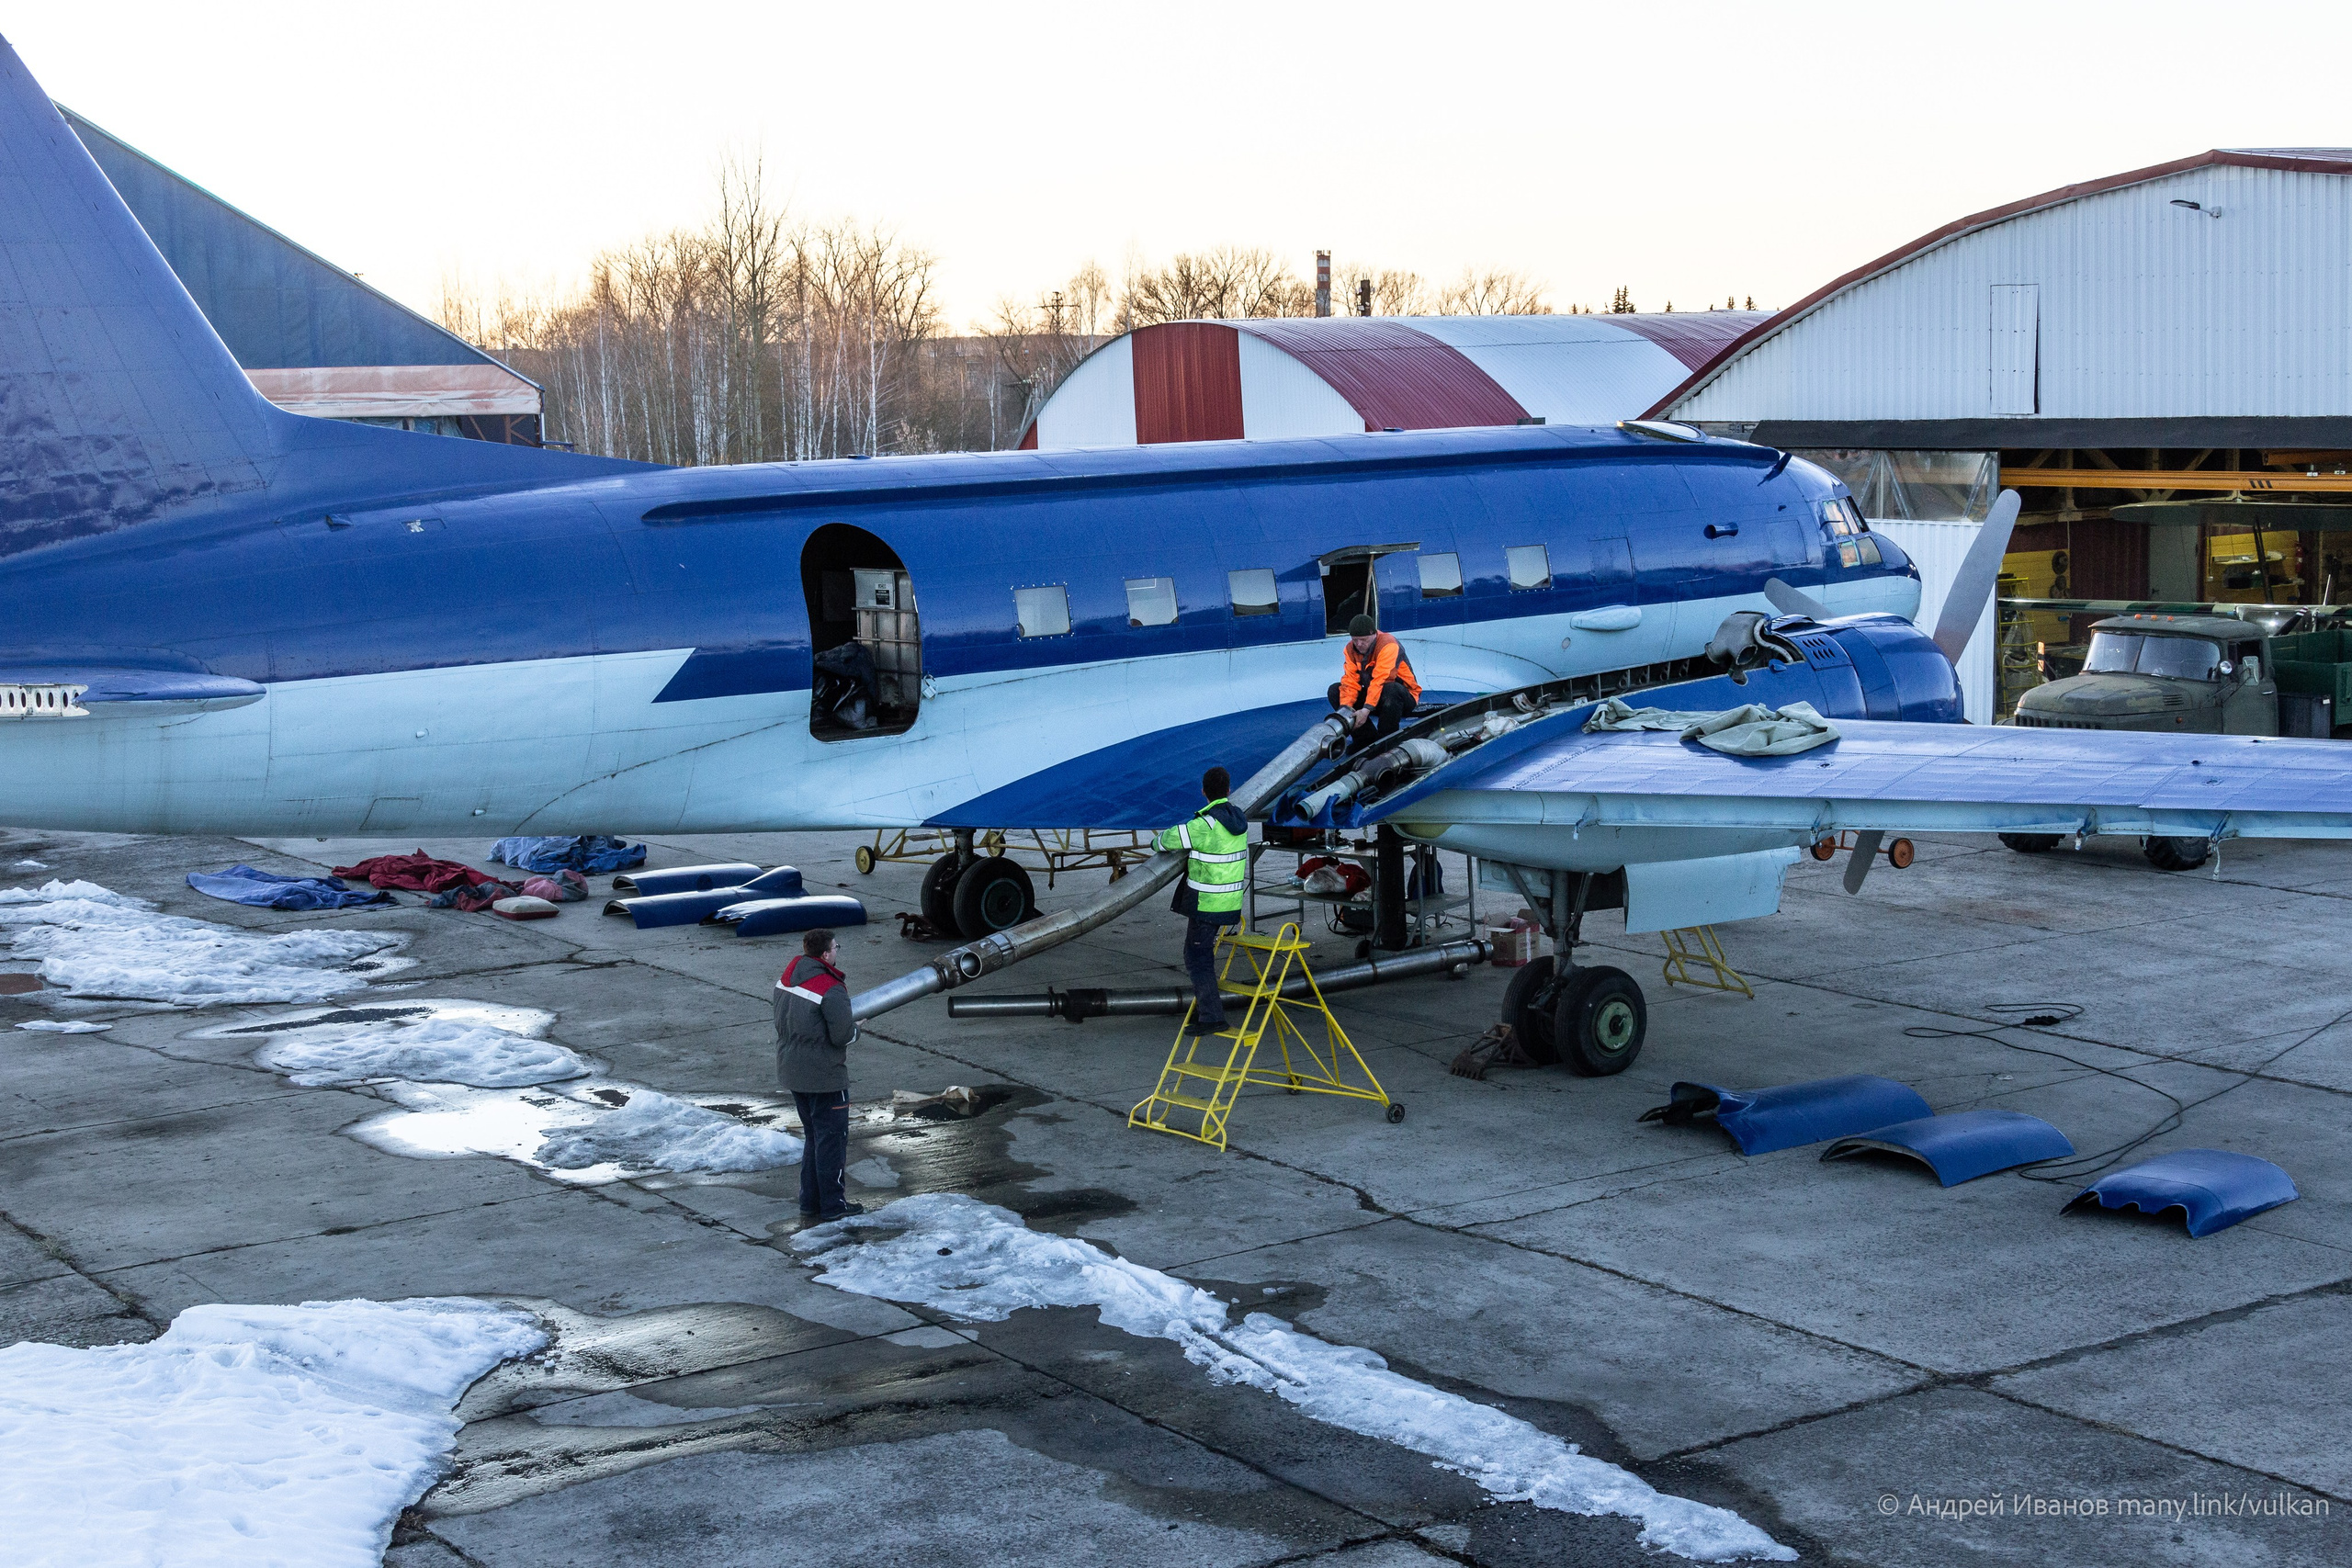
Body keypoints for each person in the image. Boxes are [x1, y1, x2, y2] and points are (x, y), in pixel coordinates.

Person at [775, 927, 862, 1221]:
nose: (837, 951)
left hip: (792, 1071)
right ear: (825, 954)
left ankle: (810, 1202)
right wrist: (856, 1029)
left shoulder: (787, 979)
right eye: (836, 947)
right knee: (832, 1141)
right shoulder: (830, 988)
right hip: (824, 1077)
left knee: (814, 1137)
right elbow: (841, 1036)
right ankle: (834, 1206)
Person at [1157, 766, 1250, 1035]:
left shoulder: (1205, 825)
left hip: (1206, 904)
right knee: (1199, 955)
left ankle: (1212, 1017)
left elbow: (1167, 840)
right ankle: (1206, 1008)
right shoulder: (1238, 819)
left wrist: (1155, 843)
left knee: (1198, 959)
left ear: (1203, 792)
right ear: (1229, 790)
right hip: (1228, 903)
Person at [1327, 614, 1420, 751]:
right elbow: (1350, 681)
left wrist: (1366, 710)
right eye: (1355, 640)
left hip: (1401, 697)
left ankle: (1386, 740)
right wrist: (1346, 711)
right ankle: (1365, 739)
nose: (1359, 644)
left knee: (1391, 689)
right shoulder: (1350, 649)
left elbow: (1380, 680)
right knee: (1335, 690)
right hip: (1377, 698)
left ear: (1374, 634)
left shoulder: (1388, 644)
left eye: (1363, 640)